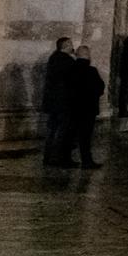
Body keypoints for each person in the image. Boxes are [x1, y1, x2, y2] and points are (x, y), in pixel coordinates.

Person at [68, 46, 105, 169]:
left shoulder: (70, 69)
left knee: (70, 134)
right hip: (88, 108)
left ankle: (66, 158)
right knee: (85, 137)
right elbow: (100, 88)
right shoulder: (91, 71)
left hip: (73, 107)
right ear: (87, 55)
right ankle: (87, 161)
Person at [42, 37, 76, 167]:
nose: (72, 46)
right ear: (65, 45)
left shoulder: (53, 58)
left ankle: (49, 157)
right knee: (62, 131)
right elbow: (73, 79)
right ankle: (60, 158)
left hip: (53, 102)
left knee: (52, 130)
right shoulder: (67, 60)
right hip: (64, 102)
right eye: (70, 44)